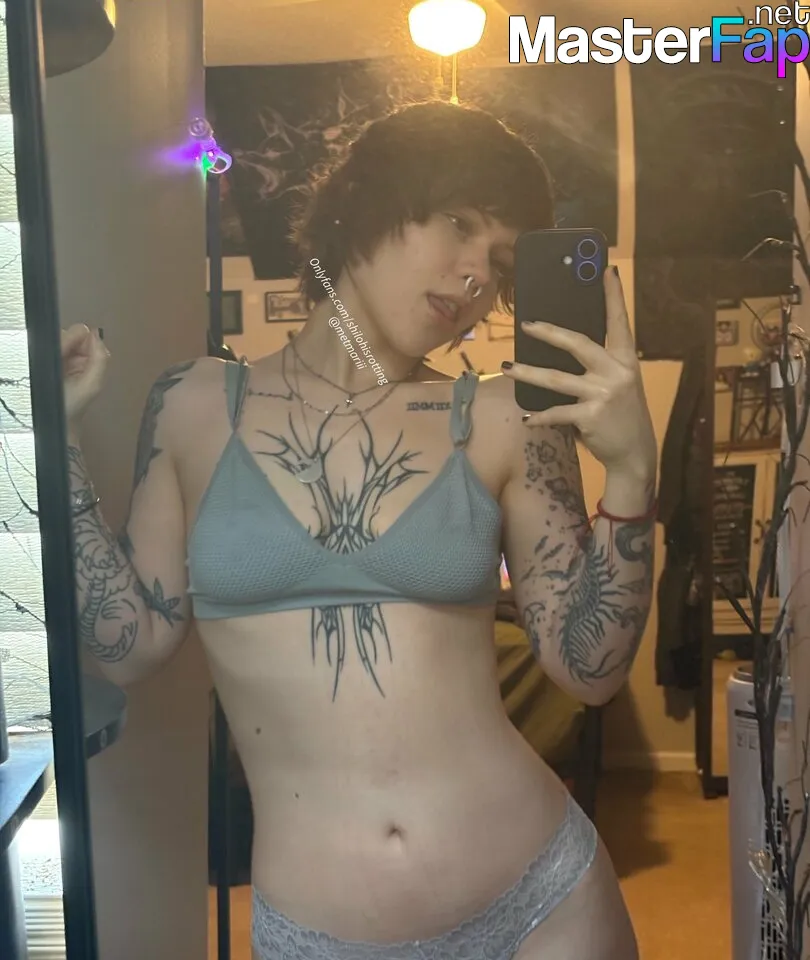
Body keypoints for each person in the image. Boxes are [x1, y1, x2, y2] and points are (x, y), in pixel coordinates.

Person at [62, 100, 657, 960]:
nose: (474, 277)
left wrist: (632, 474)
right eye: (458, 223)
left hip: (541, 902)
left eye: (498, 262)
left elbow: (588, 669)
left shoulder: (505, 416)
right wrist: (54, 441)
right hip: (320, 933)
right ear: (362, 204)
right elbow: (128, 643)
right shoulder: (194, 405)